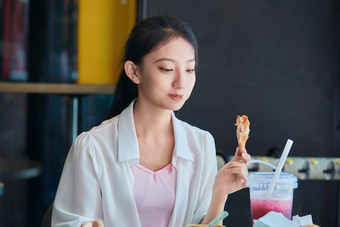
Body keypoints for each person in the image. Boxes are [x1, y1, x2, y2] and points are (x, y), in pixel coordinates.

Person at [51, 15, 250, 227]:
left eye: (190, 69)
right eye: (166, 69)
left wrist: (220, 193)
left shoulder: (201, 144)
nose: (181, 82)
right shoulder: (92, 147)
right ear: (134, 71)